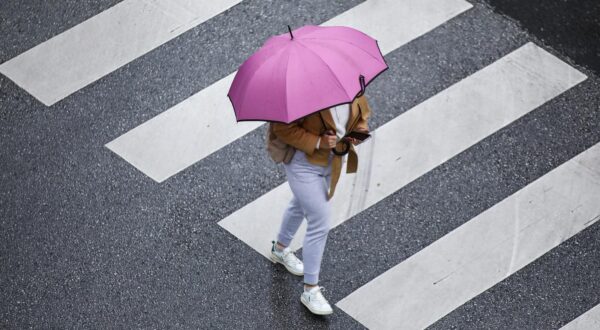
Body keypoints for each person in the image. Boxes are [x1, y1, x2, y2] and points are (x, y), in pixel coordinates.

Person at [268, 94, 372, 315]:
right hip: (303, 165)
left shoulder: (350, 87)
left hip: (331, 162)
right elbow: (281, 129)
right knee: (320, 221)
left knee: (299, 204)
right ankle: (310, 290)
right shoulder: (301, 95)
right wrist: (318, 142)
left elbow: (362, 115)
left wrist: (355, 135)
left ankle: (279, 249)